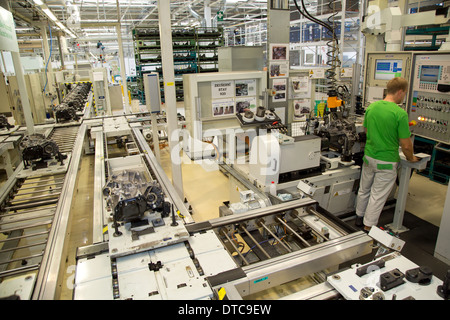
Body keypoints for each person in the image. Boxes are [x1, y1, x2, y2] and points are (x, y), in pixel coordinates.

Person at [355, 77, 419, 231]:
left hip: (369, 157)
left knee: (364, 189)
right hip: (387, 161)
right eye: (404, 93)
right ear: (400, 92)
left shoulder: (372, 107)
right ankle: (368, 225)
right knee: (377, 195)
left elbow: (367, 131)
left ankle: (359, 217)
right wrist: (411, 158)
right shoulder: (400, 113)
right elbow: (406, 144)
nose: (404, 96)